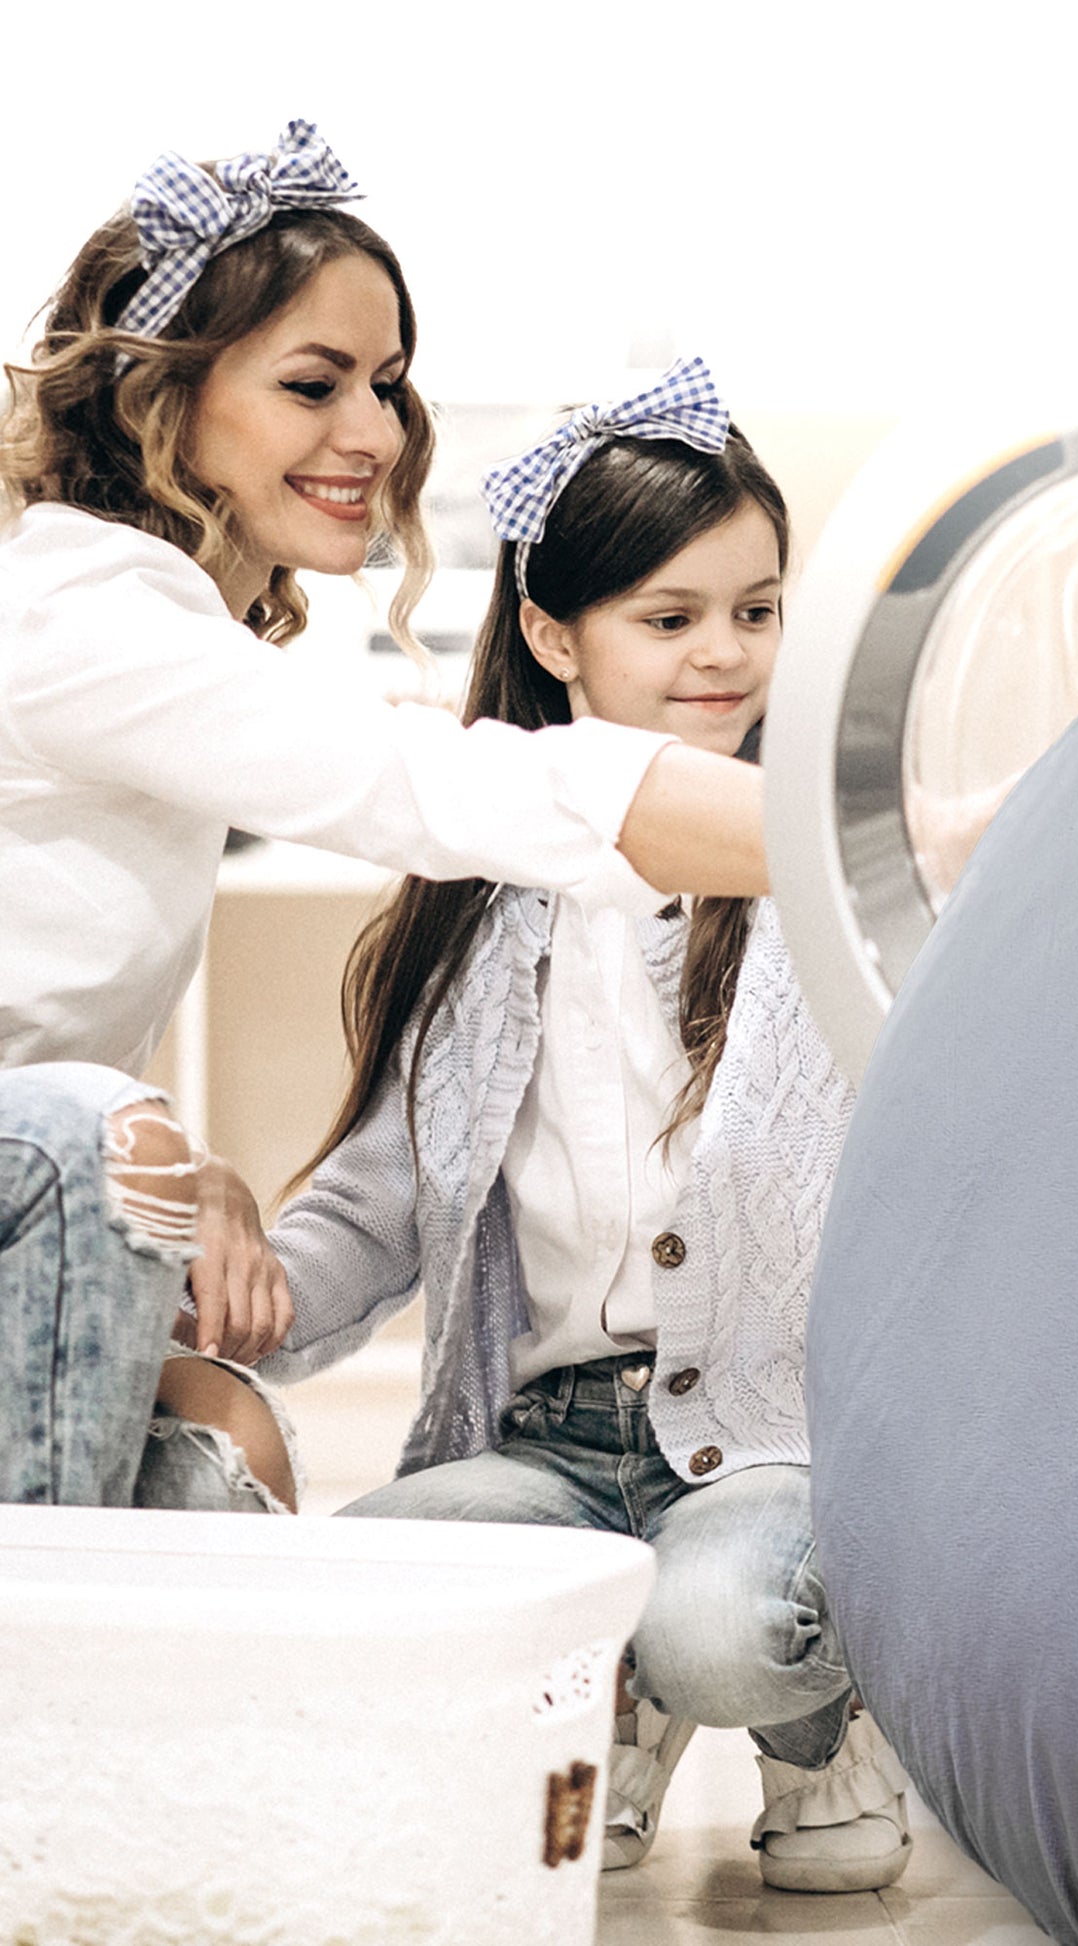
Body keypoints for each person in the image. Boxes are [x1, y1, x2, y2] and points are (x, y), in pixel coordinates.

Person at [0, 120, 767, 1515]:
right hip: (41, 1159)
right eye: (314, 384)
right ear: (157, 397)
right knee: (99, 1132)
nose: (374, 432)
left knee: (222, 1456)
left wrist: (178, 1166)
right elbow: (432, 785)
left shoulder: (160, 628)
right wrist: (854, 842)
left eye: (389, 384)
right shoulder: (77, 616)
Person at [260, 376, 912, 1894]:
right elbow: (377, 1200)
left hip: (767, 1437)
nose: (725, 653)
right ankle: (601, 1709)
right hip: (546, 1442)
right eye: (669, 618)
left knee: (727, 1626)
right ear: (555, 638)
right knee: (366, 1585)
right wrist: (251, 1296)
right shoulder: (473, 910)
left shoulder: (822, 883)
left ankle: (814, 1732)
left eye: (756, 610)